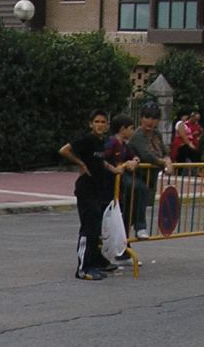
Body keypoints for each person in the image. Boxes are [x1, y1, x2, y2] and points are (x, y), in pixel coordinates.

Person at [59, 110, 127, 280]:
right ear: (91, 124)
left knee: (96, 228)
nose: (100, 125)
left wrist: (114, 169)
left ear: (107, 125)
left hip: (97, 188)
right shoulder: (87, 140)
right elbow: (64, 150)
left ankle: (95, 261)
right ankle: (83, 268)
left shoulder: (100, 142)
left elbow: (100, 161)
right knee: (88, 227)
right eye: (97, 122)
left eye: (103, 122)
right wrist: (81, 164)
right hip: (86, 188)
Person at [128, 102, 173, 238]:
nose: (150, 121)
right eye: (147, 117)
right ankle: (140, 228)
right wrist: (165, 163)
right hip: (134, 177)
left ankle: (124, 242)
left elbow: (164, 151)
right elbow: (147, 156)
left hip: (149, 178)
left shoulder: (156, 135)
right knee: (130, 209)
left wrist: (168, 160)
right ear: (141, 118)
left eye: (154, 118)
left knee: (135, 209)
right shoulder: (138, 136)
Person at [104, 113, 145, 245]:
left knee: (126, 214)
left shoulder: (124, 145)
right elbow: (102, 158)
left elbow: (134, 156)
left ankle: (124, 245)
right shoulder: (112, 143)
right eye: (131, 128)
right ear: (123, 129)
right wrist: (115, 167)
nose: (133, 131)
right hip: (113, 183)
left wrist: (134, 161)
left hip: (122, 185)